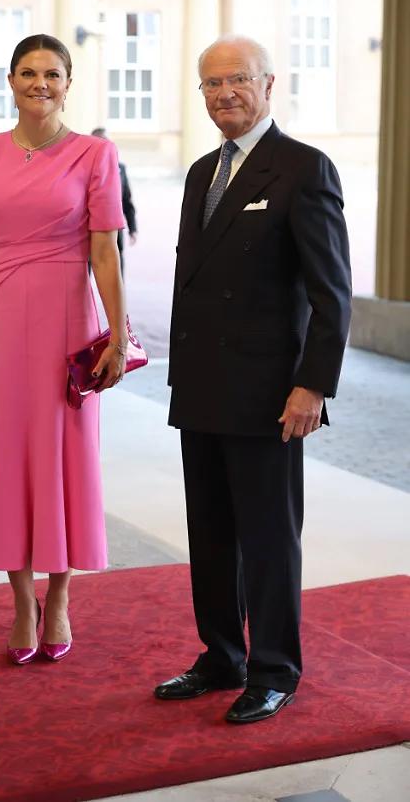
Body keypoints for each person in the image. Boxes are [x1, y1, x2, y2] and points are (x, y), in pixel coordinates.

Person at [155, 35, 352, 723]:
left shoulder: (302, 169)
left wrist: (312, 386)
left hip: (270, 395)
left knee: (268, 540)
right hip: (202, 386)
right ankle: (220, 655)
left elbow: (332, 295)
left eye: (237, 80)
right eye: (210, 84)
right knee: (209, 536)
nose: (223, 94)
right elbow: (191, 282)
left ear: (269, 84)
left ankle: (273, 668)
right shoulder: (200, 173)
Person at [0, 34, 126, 666]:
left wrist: (119, 337)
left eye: (52, 73)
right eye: (27, 72)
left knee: (62, 456)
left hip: (66, 324)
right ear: (10, 81)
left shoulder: (95, 155)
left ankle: (61, 595)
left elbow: (106, 252)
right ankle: (22, 601)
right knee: (7, 455)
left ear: (69, 83)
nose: (39, 83)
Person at [91, 127, 137, 277]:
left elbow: (126, 201)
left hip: (114, 229)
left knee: (117, 267)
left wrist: (133, 228)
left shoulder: (120, 168)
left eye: (105, 142)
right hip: (89, 231)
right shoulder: (83, 169)